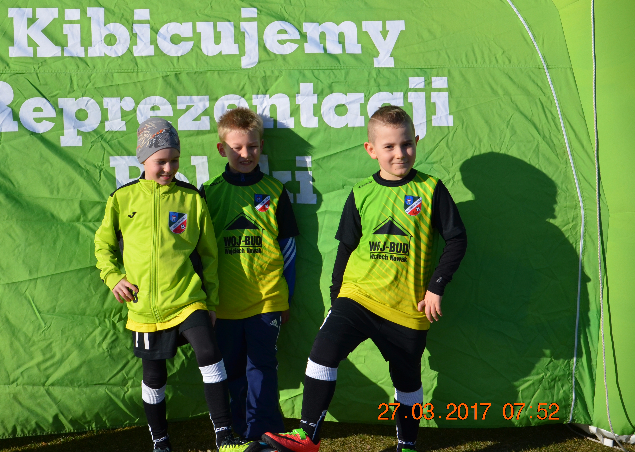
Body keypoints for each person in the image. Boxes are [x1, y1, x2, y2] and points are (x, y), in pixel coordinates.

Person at [262, 106, 468, 452]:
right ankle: (308, 436)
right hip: (358, 297)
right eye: (389, 146)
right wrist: (337, 298)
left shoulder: (431, 189)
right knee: (322, 352)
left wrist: (436, 286)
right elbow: (345, 250)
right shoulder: (361, 192)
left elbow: (457, 239)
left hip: (407, 307)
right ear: (371, 150)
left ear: (416, 141)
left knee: (407, 381)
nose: (399, 153)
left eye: (406, 144)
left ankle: (407, 444)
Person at [94, 118, 256, 452]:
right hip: (144, 308)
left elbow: (209, 254)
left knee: (209, 352)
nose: (169, 168)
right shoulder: (122, 199)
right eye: (161, 162)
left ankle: (225, 437)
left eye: (175, 160)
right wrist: (113, 277)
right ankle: (161, 441)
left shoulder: (191, 199)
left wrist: (211, 302)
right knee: (154, 377)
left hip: (188, 299)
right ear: (143, 159)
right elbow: (103, 246)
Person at [200, 107, 299, 442]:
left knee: (262, 367)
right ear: (221, 149)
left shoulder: (275, 191)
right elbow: (199, 250)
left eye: (252, 146)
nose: (246, 154)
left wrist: (286, 297)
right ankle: (239, 429)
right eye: (237, 147)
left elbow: (288, 247)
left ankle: (265, 432)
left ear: (261, 146)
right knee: (231, 369)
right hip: (223, 304)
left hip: (266, 300)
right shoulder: (209, 193)